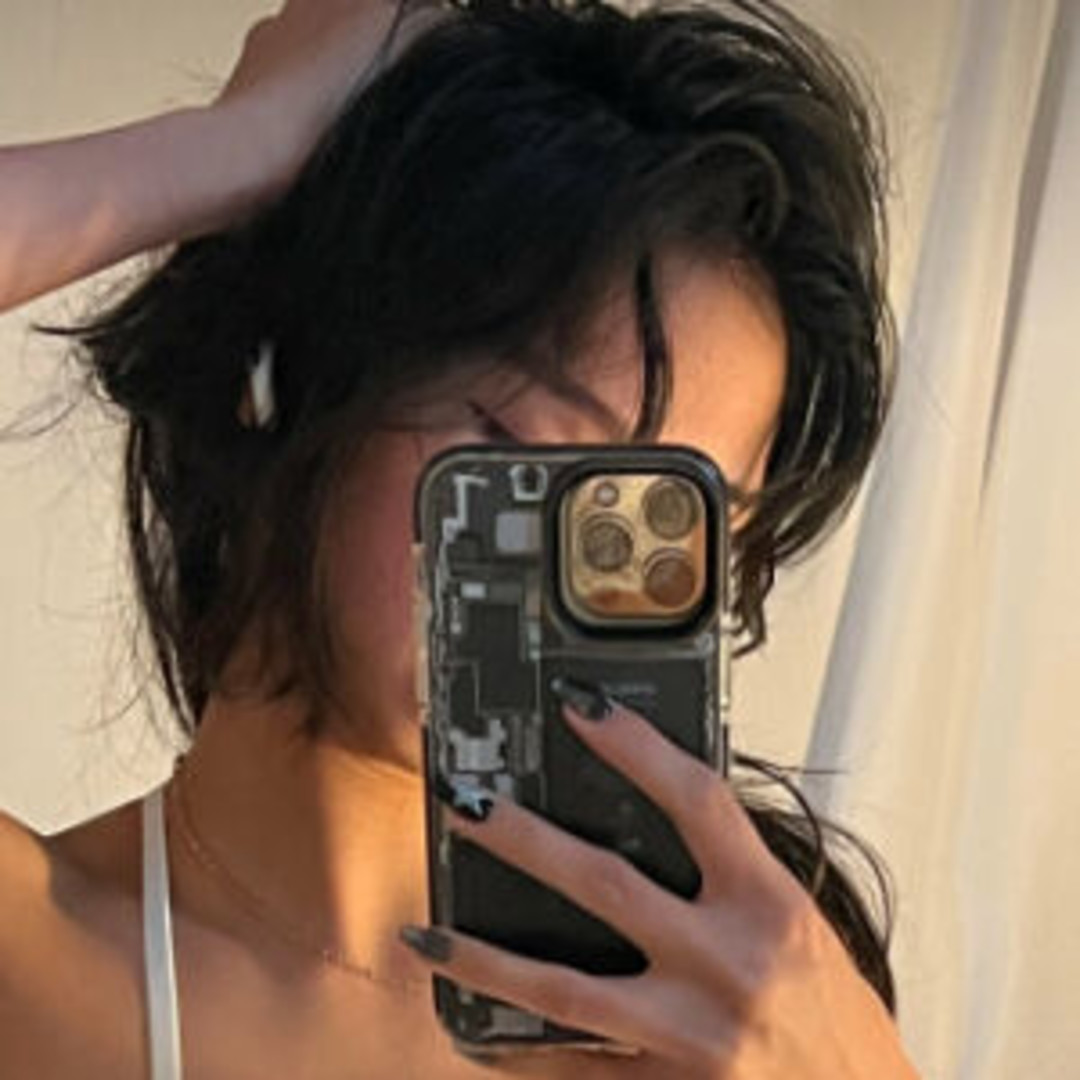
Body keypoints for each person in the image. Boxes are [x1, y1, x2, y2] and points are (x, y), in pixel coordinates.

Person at [0, 0, 920, 1076]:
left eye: (674, 523)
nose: (591, 580)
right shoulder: (31, 965)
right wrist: (236, 150)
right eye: (527, 448)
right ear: (284, 374)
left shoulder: (758, 1013)